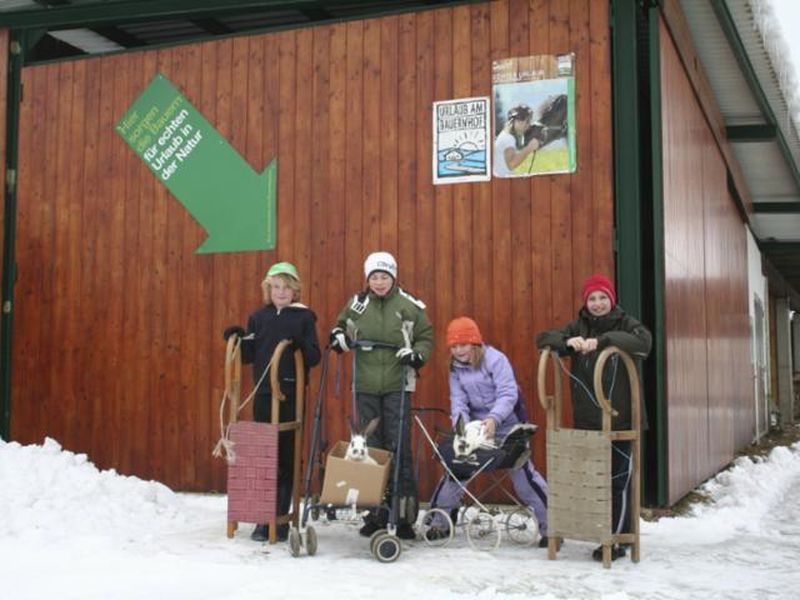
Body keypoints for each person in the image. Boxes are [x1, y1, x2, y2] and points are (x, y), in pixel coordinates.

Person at [535, 274, 652, 561]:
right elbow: (543, 339)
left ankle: (617, 539)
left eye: (602, 298)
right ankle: (599, 534)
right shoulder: (579, 324)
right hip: (588, 421)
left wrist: (602, 341)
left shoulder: (626, 323)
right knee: (593, 480)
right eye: (592, 299)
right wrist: (569, 341)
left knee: (618, 480)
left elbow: (644, 342)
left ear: (611, 300)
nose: (597, 304)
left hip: (621, 417)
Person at [329, 251, 433, 540]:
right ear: (367, 279)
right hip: (365, 385)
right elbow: (341, 326)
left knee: (399, 447)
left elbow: (425, 336)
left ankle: (403, 518)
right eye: (374, 277)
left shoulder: (409, 305)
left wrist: (417, 354)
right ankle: (374, 515)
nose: (379, 282)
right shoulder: (357, 304)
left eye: (384, 276)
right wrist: (338, 337)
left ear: (393, 277)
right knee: (370, 450)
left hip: (398, 384)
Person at [426, 317, 549, 546]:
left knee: (524, 480)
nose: (458, 350)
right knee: (455, 468)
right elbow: (459, 401)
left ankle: (552, 527)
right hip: (475, 431)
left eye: (463, 344)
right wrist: (461, 428)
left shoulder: (495, 360)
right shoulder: (455, 368)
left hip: (506, 426)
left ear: (474, 343)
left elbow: (508, 393)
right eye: (454, 346)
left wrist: (494, 419)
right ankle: (439, 522)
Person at [223, 262, 321, 542]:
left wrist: (299, 343)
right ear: (268, 289)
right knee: (262, 454)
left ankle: (278, 517)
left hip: (289, 393)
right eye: (276, 287)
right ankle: (260, 520)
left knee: (284, 457)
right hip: (263, 393)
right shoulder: (259, 317)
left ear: (295, 290)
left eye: (287, 287)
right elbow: (249, 355)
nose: (281, 292)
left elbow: (314, 356)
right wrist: (236, 337)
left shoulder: (304, 318)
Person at [493, 103, 541, 177]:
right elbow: (511, 164)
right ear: (518, 121)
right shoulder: (508, 139)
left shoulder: (504, 135)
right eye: (527, 121)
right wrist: (530, 148)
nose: (528, 126)